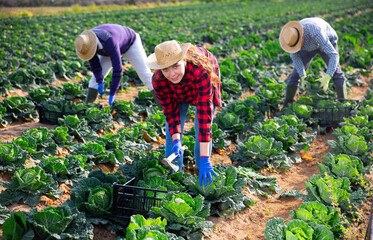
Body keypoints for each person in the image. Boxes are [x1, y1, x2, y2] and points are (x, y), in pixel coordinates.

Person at [147, 40, 222, 186]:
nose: (172, 74)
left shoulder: (201, 72)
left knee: (200, 128)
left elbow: (204, 118)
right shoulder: (158, 80)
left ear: (184, 60)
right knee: (171, 133)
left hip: (199, 85)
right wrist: (176, 140)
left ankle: (202, 169)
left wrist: (205, 158)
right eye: (165, 69)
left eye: (176, 66)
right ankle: (175, 177)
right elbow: (170, 112)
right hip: (176, 93)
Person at [74, 24, 161, 107]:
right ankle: (88, 106)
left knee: (145, 74)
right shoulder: (86, 43)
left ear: (94, 45)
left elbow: (118, 68)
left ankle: (163, 106)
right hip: (108, 49)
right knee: (94, 80)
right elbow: (95, 65)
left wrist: (112, 93)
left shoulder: (109, 41)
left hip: (130, 43)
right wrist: (100, 81)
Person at [279, 17, 347, 108]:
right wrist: (302, 75)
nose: (297, 48)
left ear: (302, 37)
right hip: (309, 47)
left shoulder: (315, 31)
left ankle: (344, 105)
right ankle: (287, 106)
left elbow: (334, 55)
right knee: (295, 75)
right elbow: (296, 59)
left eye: (298, 45)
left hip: (326, 41)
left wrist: (327, 77)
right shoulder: (291, 40)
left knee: (337, 73)